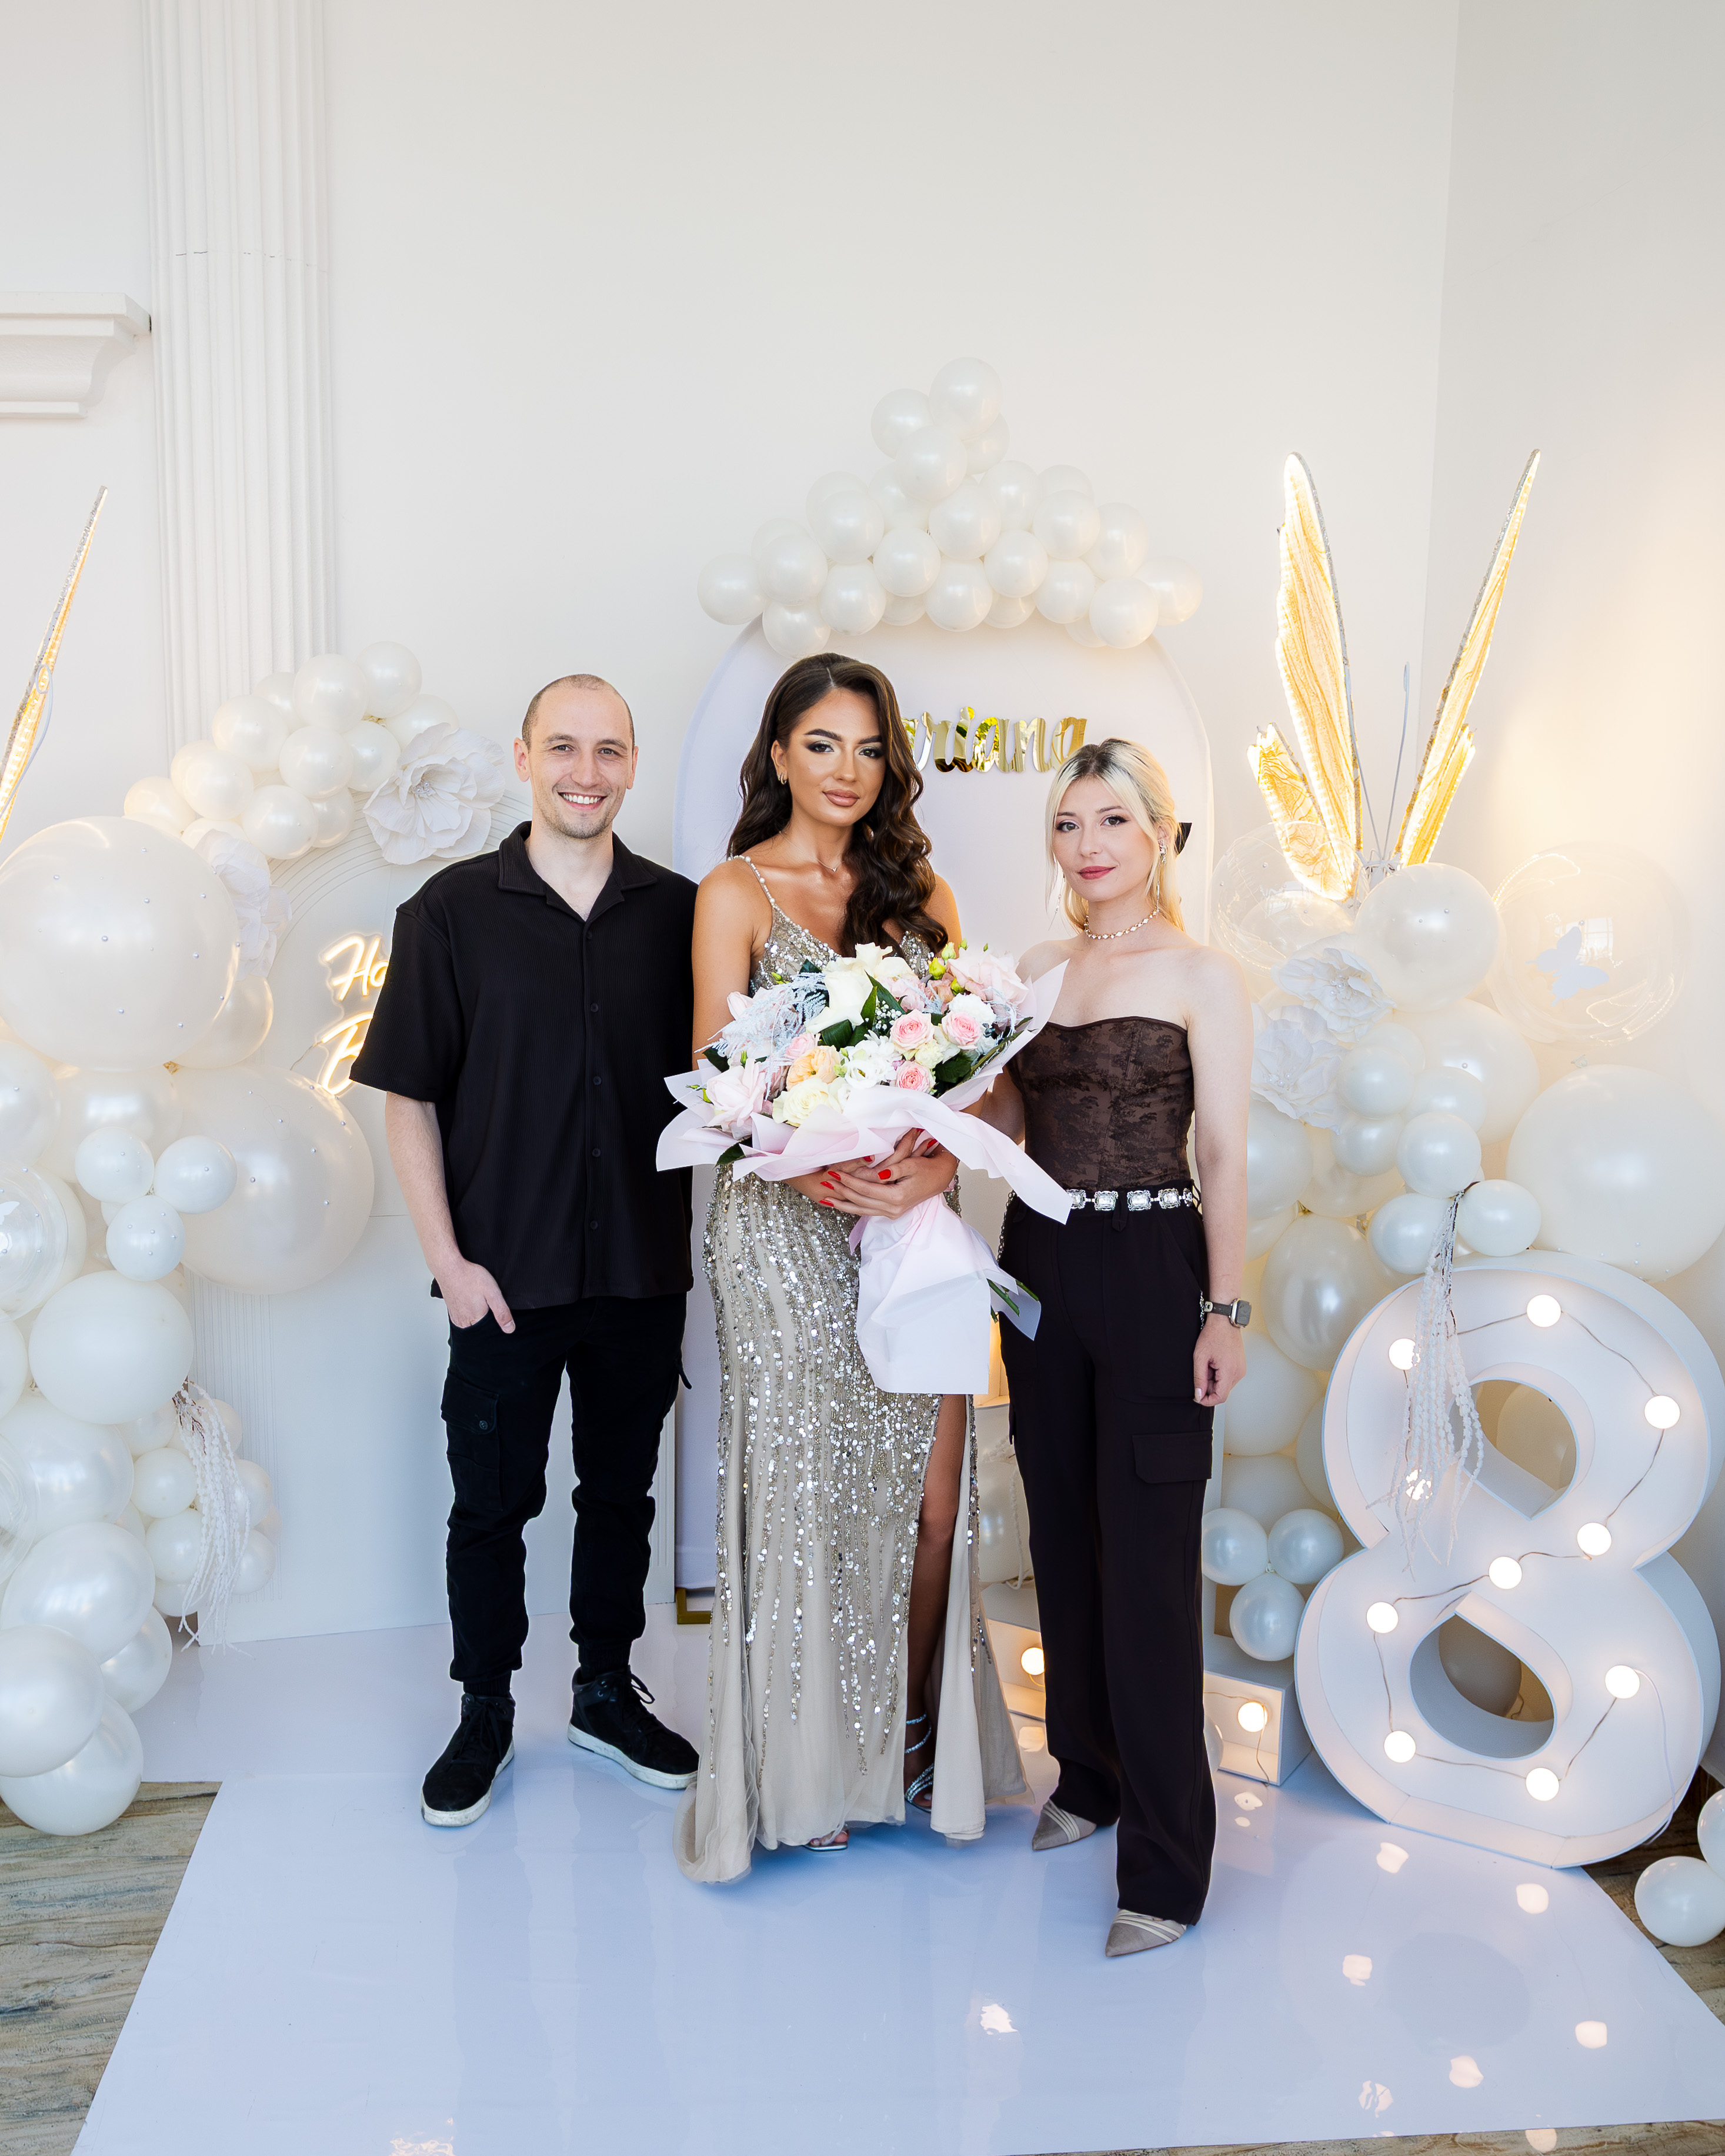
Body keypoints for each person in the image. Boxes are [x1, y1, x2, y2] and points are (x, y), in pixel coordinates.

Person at [675, 652, 1023, 1881]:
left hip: (906, 1220)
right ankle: (806, 1768)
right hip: (781, 1226)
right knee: (805, 1497)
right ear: (778, 755)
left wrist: (930, 1171)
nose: (846, 770)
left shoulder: (920, 892)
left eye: (869, 749)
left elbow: (979, 1080)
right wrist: (801, 1163)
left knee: (930, 1504)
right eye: (822, 744)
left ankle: (913, 1736)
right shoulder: (734, 892)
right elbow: (717, 1082)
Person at [352, 673, 701, 1828]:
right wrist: (450, 1265)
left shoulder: (683, 914)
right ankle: (486, 1707)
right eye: (563, 747)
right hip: (501, 1278)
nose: (584, 772)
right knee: (490, 1508)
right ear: (523, 757)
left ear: (632, 764)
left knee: (622, 1496)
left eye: (608, 750)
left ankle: (604, 1689)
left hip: (642, 1273)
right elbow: (408, 1098)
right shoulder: (449, 912)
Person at [971, 737, 1250, 1957]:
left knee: (1146, 1563)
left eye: (1112, 822)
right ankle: (1087, 1778)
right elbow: (1011, 1122)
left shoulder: (1203, 974)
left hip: (1152, 1267)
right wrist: (949, 1074)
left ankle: (1168, 1872)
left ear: (1159, 835)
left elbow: (1222, 1153)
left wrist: (1225, 1308)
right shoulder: (1035, 969)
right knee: (1062, 1537)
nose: (1088, 846)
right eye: (1068, 824)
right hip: (1038, 1262)